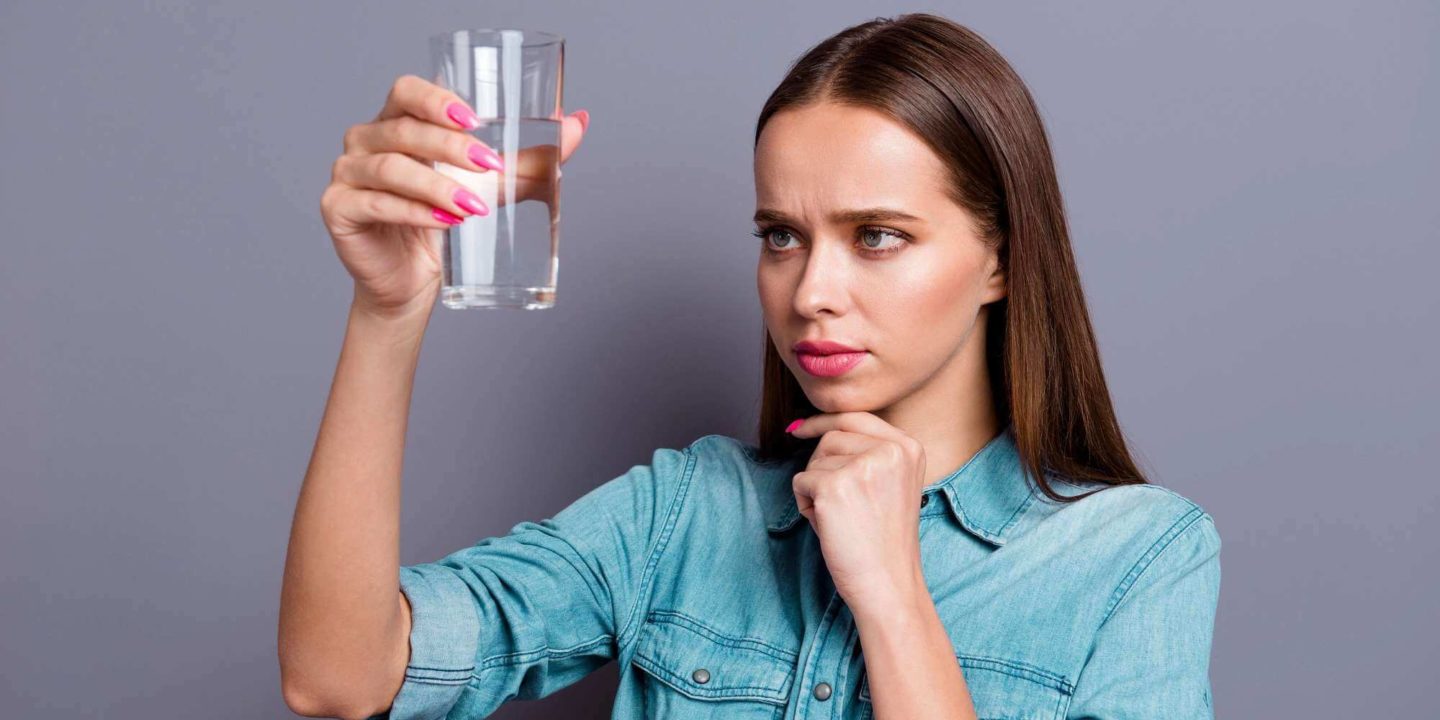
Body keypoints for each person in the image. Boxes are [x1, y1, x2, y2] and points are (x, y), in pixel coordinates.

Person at [279, 12, 1221, 720]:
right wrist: (386, 312)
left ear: (1001, 259)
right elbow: (338, 680)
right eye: (781, 235)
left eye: (877, 235)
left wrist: (892, 597)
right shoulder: (684, 514)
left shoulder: (1135, 558)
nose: (811, 291)